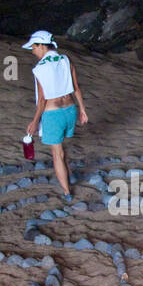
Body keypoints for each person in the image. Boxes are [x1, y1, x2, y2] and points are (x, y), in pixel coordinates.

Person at [22, 29, 88, 202]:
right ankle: (69, 176)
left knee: (56, 153)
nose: (33, 51)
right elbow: (76, 88)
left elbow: (42, 100)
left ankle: (67, 192)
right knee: (61, 147)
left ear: (41, 46)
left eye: (33, 48)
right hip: (70, 110)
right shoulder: (66, 60)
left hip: (53, 114)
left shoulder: (40, 69)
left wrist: (35, 121)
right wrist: (82, 110)